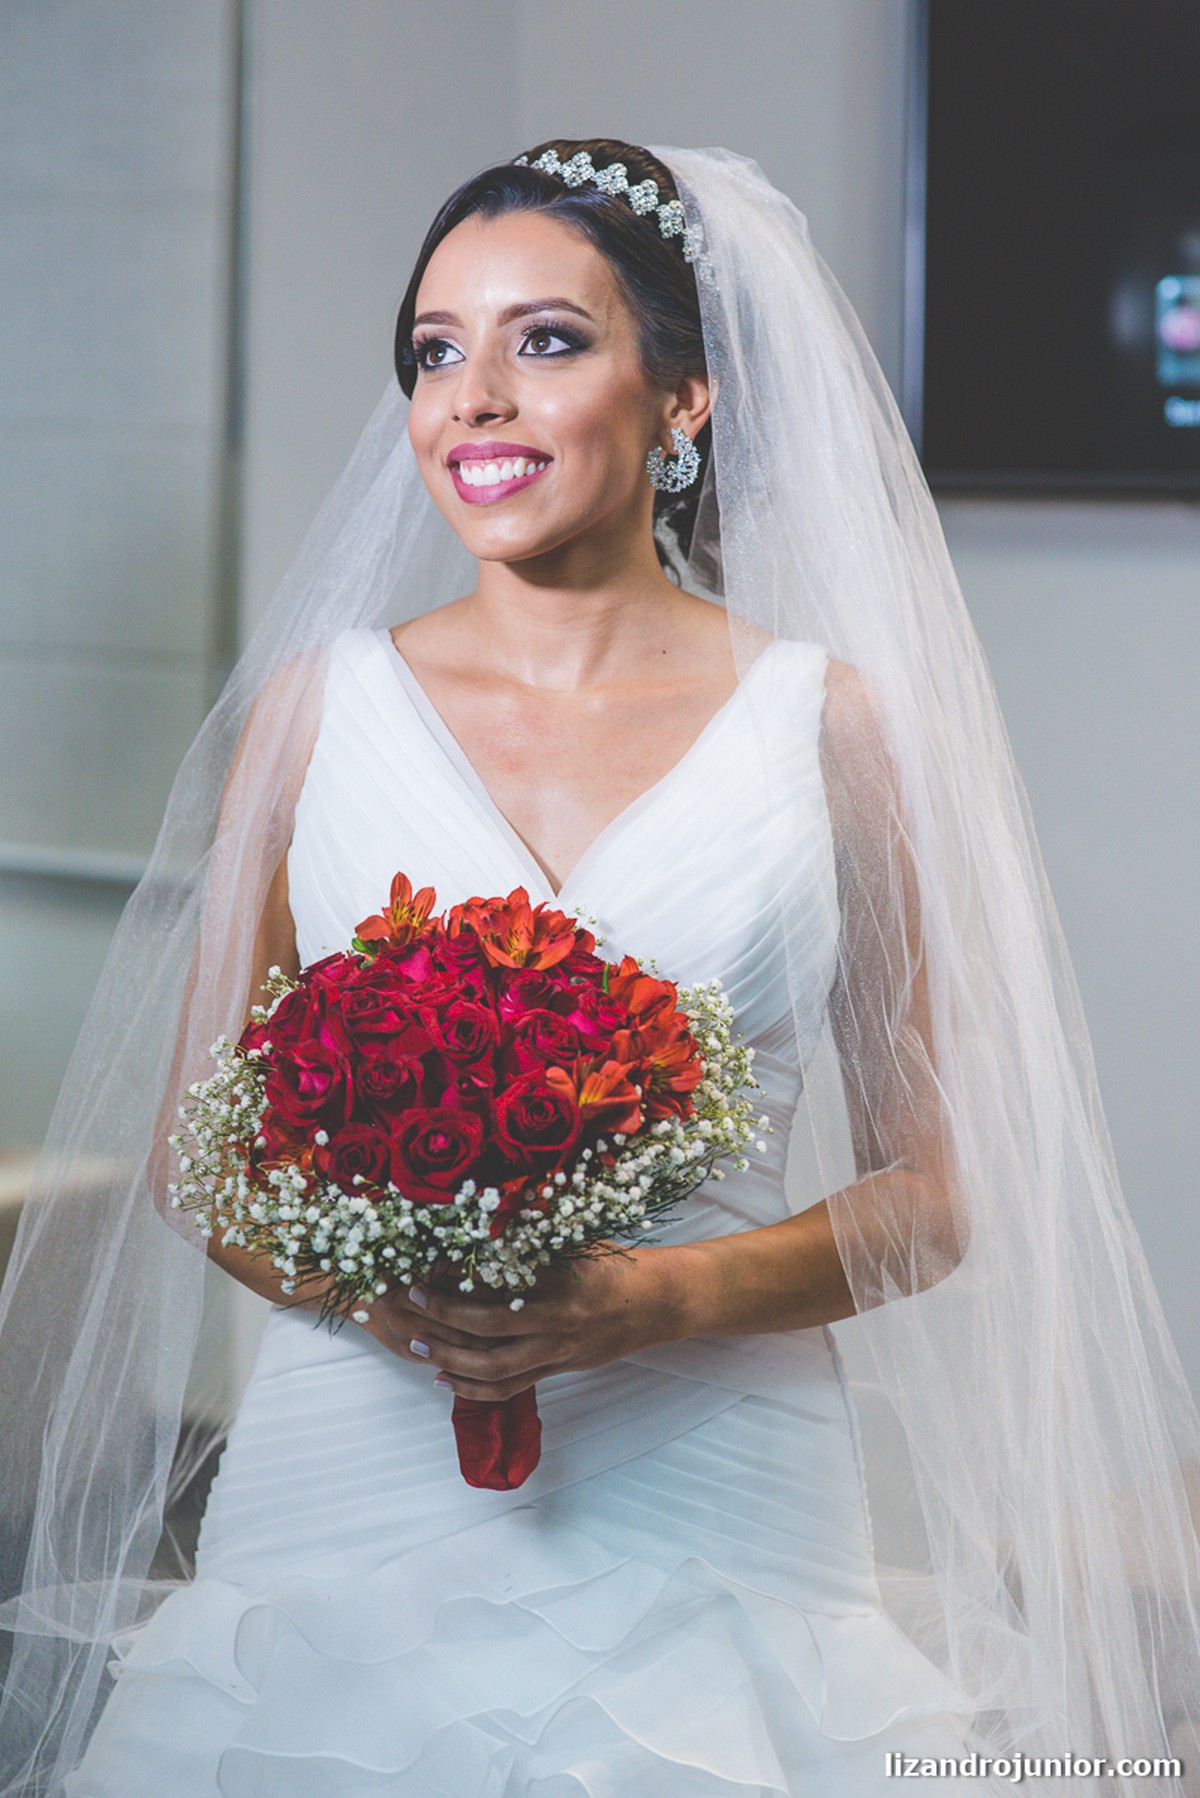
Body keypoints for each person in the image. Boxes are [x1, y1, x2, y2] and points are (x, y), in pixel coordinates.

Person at [1, 139, 1198, 1797]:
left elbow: (932, 1193)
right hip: (348, 1475)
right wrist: (397, 1301)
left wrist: (655, 1299)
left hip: (717, 1477)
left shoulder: (825, 726)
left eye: (545, 341)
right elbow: (208, 1157)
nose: (473, 398)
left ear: (685, 400)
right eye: (436, 350)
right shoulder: (312, 715)